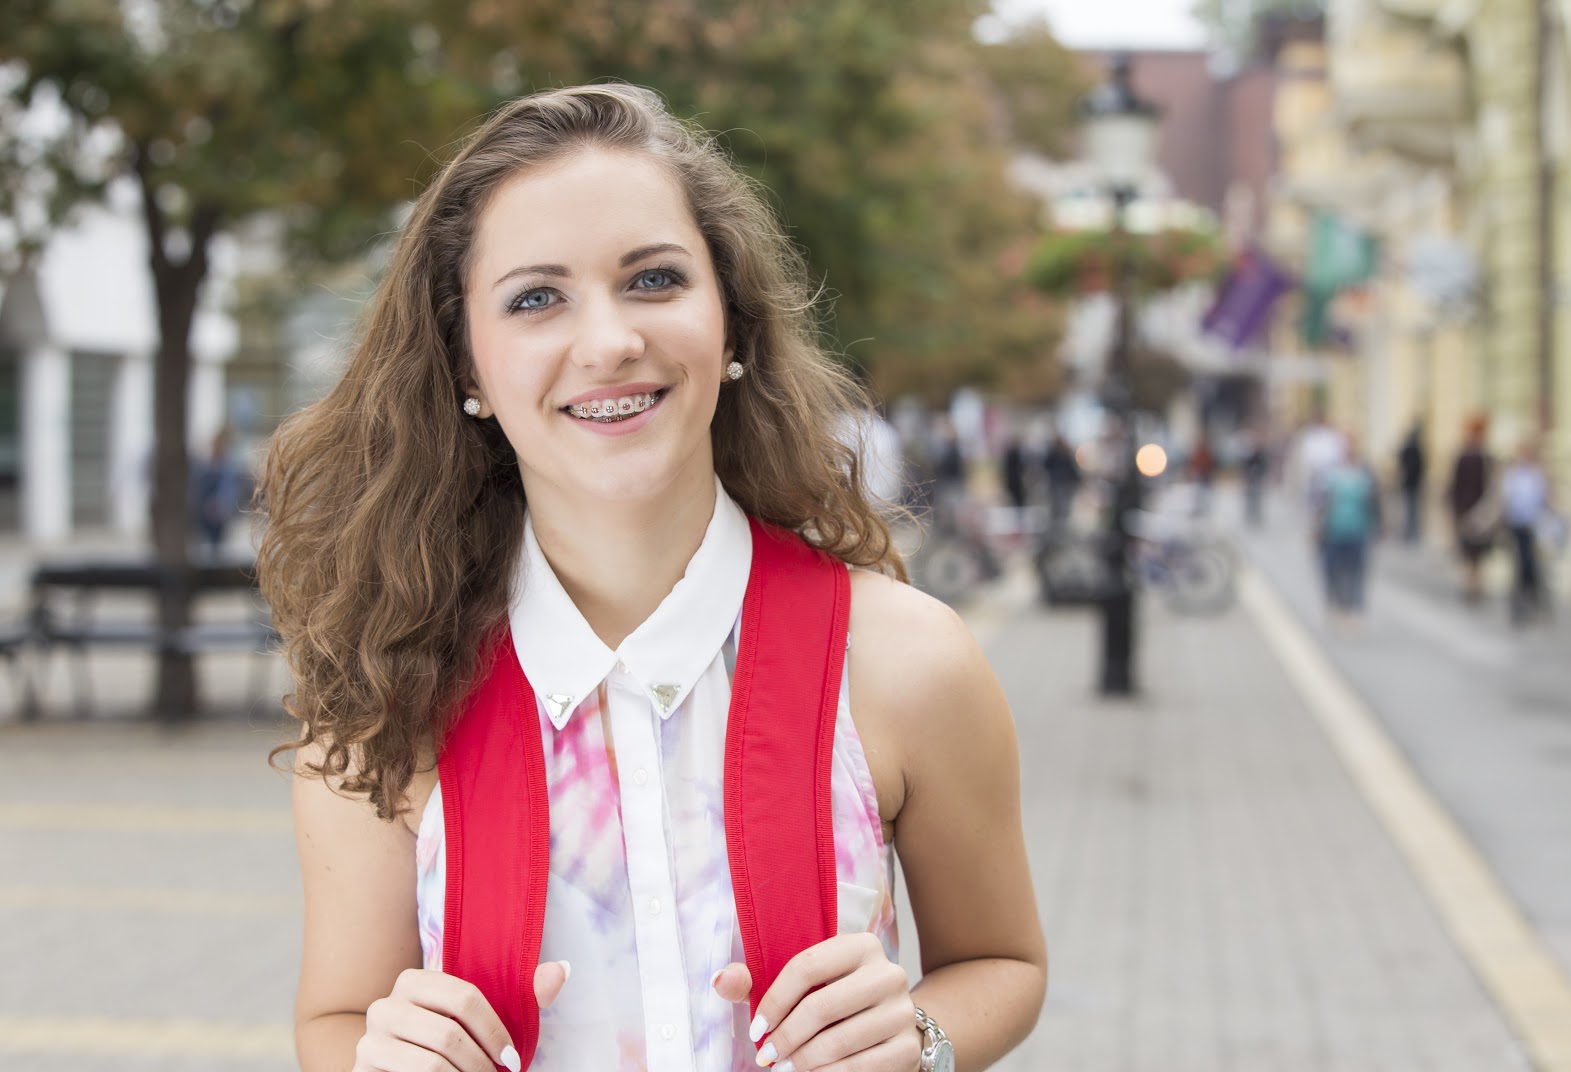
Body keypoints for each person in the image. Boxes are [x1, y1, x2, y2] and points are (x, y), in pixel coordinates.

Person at [257, 85, 1045, 1072]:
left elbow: (1001, 960)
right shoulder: (386, 697)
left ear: (734, 328)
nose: (609, 342)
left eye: (654, 279)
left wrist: (921, 1039)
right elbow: (333, 1020)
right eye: (536, 298)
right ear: (466, 364)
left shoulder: (904, 661)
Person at [1316, 435, 1382, 623]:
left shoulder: (1364, 476)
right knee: (1333, 571)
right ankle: (1336, 607)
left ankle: (1353, 610)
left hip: (1356, 530)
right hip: (1335, 530)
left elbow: (1373, 504)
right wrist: (1319, 526)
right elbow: (1324, 503)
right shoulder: (1333, 475)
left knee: (1355, 573)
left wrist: (1377, 527)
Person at [1501, 437, 1551, 624]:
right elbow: (1505, 498)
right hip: (1516, 525)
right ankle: (1520, 605)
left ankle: (1532, 603)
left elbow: (1545, 498)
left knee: (1531, 565)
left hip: (1534, 526)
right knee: (1520, 566)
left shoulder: (1537, 473)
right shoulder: (1513, 473)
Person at [1447, 414, 1495, 602]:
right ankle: (1473, 584)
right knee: (1475, 553)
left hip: (1468, 510)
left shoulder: (1467, 456)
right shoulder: (1483, 457)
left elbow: (1454, 487)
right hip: (1477, 511)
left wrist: (1456, 513)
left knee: (1471, 553)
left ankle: (1471, 584)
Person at [192, 427, 244, 557]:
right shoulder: (207, 465)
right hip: (207, 510)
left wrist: (221, 505)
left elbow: (229, 489)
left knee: (218, 545)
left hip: (219, 511)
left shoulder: (228, 467)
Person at [1396, 421, 1426, 544]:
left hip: (1411, 482)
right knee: (1411, 508)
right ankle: (1411, 532)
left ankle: (1410, 532)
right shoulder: (1414, 448)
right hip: (1412, 482)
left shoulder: (1411, 448)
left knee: (1411, 508)